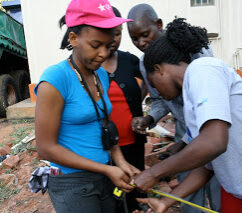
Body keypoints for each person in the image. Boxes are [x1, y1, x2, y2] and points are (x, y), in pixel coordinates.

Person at [133, 18, 242, 213]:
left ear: (159, 69)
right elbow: (208, 166)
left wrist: (154, 173)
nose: (157, 93)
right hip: (240, 192)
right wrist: (166, 202)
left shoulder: (203, 69)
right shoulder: (193, 101)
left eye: (153, 84)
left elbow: (214, 143)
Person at [34, 0, 139, 212]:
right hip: (72, 183)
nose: (103, 54)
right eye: (95, 45)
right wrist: (106, 169)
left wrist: (119, 161)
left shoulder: (100, 73)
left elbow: (104, 122)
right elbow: (45, 149)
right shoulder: (55, 79)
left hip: (103, 173)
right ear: (73, 38)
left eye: (108, 46)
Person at [127, 4, 220, 213]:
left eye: (145, 34)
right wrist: (150, 119)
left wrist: (155, 173)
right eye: (135, 39)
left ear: (158, 25)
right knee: (188, 185)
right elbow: (162, 99)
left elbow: (209, 102)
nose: (141, 43)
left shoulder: (195, 51)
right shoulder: (145, 63)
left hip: (212, 125)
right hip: (185, 129)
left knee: (217, 181)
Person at [101, 6, 146, 213]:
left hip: (133, 140)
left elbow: (150, 80)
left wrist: (143, 98)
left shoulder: (130, 60)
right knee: (112, 195)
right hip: (105, 146)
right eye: (109, 34)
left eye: (118, 34)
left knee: (136, 187)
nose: (114, 39)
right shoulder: (90, 65)